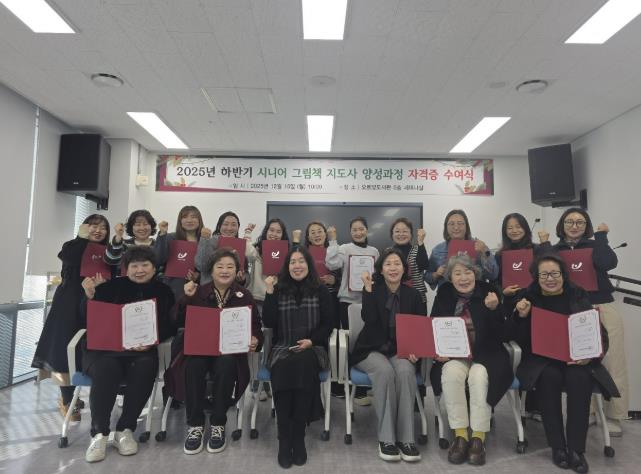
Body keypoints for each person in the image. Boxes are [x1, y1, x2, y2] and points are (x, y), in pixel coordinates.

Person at [510, 254, 619, 474]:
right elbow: (515, 337)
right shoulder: (527, 297)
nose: (550, 279)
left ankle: (576, 450)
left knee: (580, 378)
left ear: (563, 275)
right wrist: (521, 316)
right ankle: (558, 447)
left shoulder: (578, 295)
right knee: (548, 378)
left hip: (576, 359)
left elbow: (599, 334)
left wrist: (590, 356)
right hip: (543, 360)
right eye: (544, 275)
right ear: (536, 277)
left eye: (554, 274)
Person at [79, 246, 176, 463]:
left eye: (145, 265)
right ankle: (99, 433)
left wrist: (152, 339)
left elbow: (169, 325)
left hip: (141, 350)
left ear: (154, 268)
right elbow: (88, 318)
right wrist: (89, 297)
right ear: (126, 268)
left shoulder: (164, 292)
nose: (140, 270)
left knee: (145, 366)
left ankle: (125, 429)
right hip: (105, 350)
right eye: (134, 266)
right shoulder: (109, 287)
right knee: (106, 368)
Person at [173, 248, 262, 455]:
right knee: (193, 364)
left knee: (227, 363)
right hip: (200, 350)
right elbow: (175, 320)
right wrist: (185, 298)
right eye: (220, 266)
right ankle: (195, 424)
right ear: (211, 271)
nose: (225, 270)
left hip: (229, 352)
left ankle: (218, 423)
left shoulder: (244, 295)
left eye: (230, 266)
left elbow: (256, 325)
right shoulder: (197, 292)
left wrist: (256, 338)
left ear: (237, 272)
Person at [552, 207, 628, 437]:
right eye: (569, 222)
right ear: (562, 225)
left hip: (602, 305)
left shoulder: (596, 245)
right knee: (580, 363)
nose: (574, 226)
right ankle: (590, 411)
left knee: (612, 363)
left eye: (580, 222)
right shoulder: (556, 250)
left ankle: (614, 415)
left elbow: (608, 263)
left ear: (587, 226)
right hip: (572, 311)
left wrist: (602, 237)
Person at [430, 255, 513, 466]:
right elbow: (434, 326)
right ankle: (460, 436)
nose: (463, 278)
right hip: (455, 354)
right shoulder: (444, 293)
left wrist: (495, 310)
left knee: (478, 377)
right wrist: (438, 350)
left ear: (475, 274)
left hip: (487, 354)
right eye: (457, 273)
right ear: (450, 278)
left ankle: (478, 437)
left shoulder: (489, 291)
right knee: (450, 373)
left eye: (468, 272)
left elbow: (504, 334)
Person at [31, 215, 111, 422]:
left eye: (103, 227)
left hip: (96, 302)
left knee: (88, 350)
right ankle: (66, 399)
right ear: (84, 228)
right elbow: (70, 258)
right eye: (93, 226)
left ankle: (78, 395)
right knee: (63, 351)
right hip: (68, 304)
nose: (98, 230)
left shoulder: (108, 251)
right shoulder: (73, 246)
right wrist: (82, 238)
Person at [350, 248, 426, 463]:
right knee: (384, 372)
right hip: (371, 349)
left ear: (404, 269)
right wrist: (367, 291)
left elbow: (420, 328)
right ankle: (387, 439)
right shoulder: (373, 290)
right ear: (381, 270)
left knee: (405, 372)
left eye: (397, 264)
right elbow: (369, 319)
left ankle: (406, 439)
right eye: (388, 264)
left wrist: (416, 351)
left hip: (400, 350)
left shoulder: (414, 295)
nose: (393, 268)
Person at [262, 246, 334, 468]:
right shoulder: (278, 289)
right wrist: (269, 293)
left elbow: (329, 323)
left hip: (313, 347)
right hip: (283, 347)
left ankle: (298, 437)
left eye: (301, 261)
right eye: (292, 262)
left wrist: (312, 340)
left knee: (302, 363)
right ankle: (285, 439)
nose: (297, 266)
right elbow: (269, 322)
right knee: (284, 367)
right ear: (287, 266)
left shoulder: (321, 290)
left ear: (309, 265)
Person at [494, 212, 551, 420]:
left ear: (526, 228)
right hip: (512, 307)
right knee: (520, 355)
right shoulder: (500, 255)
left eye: (518, 226)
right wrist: (503, 292)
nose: (514, 230)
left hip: (536, 305)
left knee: (539, 353)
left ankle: (536, 406)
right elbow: (495, 282)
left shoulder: (537, 250)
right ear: (505, 231)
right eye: (510, 227)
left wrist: (545, 244)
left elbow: (550, 270)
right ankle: (521, 406)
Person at [325, 217, 379, 405]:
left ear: (366, 230)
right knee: (350, 343)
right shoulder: (344, 248)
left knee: (367, 343)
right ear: (350, 232)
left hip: (368, 302)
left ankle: (363, 388)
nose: (358, 232)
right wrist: (333, 241)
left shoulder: (374, 251)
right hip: (347, 302)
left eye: (361, 229)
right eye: (354, 229)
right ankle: (350, 387)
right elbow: (331, 264)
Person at [294, 221, 343, 397]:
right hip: (309, 299)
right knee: (313, 334)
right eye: (312, 232)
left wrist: (334, 280)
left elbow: (343, 275)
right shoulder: (302, 253)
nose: (316, 235)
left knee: (332, 337)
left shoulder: (335, 251)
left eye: (320, 231)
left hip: (331, 298)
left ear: (325, 234)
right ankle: (313, 376)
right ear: (308, 237)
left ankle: (334, 382)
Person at [424, 210, 498, 289]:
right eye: (451, 224)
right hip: (446, 294)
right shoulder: (437, 250)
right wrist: (436, 274)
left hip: (476, 294)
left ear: (466, 226)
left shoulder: (479, 246)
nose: (456, 227)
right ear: (446, 227)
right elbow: (427, 277)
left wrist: (484, 252)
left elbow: (493, 275)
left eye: (460, 223)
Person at [194, 211, 256, 286]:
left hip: (234, 290)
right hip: (210, 289)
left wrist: (243, 279)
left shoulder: (241, 245)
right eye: (226, 224)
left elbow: (246, 273)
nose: (229, 228)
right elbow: (201, 266)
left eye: (233, 225)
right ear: (219, 226)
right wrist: (204, 240)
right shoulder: (209, 241)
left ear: (238, 227)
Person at [155, 205, 203, 299]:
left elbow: (210, 266)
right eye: (185, 217)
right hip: (172, 286)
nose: (189, 220)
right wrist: (163, 234)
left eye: (193, 217)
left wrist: (198, 276)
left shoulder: (204, 240)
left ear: (199, 220)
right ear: (180, 221)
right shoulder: (170, 238)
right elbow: (158, 259)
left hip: (196, 287)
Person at [389, 217, 429, 303]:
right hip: (394, 298)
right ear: (392, 234)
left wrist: (420, 242)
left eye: (405, 231)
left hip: (417, 297)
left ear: (411, 234)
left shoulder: (418, 249)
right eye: (397, 231)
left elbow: (424, 265)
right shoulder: (388, 252)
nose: (401, 234)